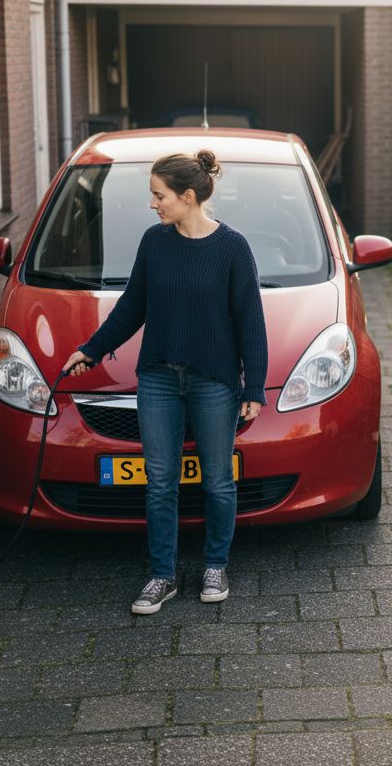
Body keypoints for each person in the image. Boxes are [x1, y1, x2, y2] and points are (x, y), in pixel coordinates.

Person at [64, 149, 268, 615]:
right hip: (157, 380)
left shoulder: (233, 248)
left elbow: (250, 323)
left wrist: (253, 388)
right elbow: (132, 307)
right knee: (159, 483)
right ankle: (162, 576)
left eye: (159, 196)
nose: (153, 204)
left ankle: (215, 565)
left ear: (188, 196)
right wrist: (91, 350)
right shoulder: (154, 243)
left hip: (214, 382)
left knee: (218, 481)